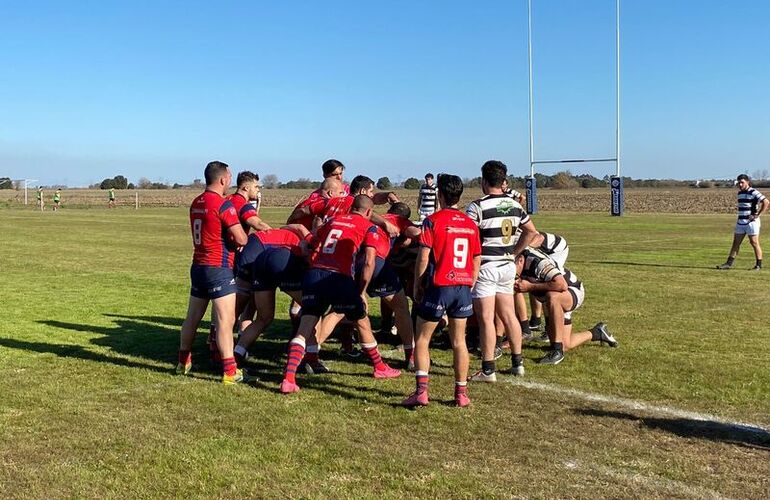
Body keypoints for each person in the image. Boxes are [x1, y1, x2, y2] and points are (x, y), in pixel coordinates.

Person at [280, 195, 401, 394]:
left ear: (352, 207)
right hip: (339, 278)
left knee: (306, 323)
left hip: (314, 274)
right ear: (369, 212)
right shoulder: (368, 226)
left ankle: (289, 378)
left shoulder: (333, 221)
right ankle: (379, 367)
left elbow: (313, 241)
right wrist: (361, 290)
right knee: (361, 320)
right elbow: (370, 262)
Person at [403, 174, 481, 408]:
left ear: (440, 195)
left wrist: (417, 284)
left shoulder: (433, 221)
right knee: (459, 341)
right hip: (463, 287)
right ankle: (461, 394)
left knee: (423, 339)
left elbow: (424, 255)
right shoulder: (470, 223)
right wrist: (471, 282)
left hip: (439, 286)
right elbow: (477, 257)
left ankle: (421, 392)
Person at [314, 202, 421, 369]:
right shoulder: (399, 220)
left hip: (354, 263)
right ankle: (411, 356)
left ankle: (312, 350)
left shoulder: (371, 217)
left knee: (338, 310)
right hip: (375, 263)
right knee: (401, 307)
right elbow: (416, 233)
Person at [176, 161, 249, 384]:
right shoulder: (222, 204)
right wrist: (238, 239)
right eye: (229, 177)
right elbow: (241, 238)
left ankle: (183, 361)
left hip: (198, 266)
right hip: (218, 267)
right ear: (223, 179)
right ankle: (229, 371)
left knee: (192, 318)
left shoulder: (196, 201)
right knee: (225, 321)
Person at [466, 161, 537, 382]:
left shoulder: (477, 206)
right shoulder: (515, 205)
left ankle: (488, 369)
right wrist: (515, 252)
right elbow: (531, 231)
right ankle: (518, 363)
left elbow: (468, 236)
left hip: (486, 266)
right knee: (508, 314)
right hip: (507, 265)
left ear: (484, 181)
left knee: (487, 317)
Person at [514, 248, 618, 365]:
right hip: (552, 299)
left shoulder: (537, 262)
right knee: (565, 344)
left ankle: (557, 351)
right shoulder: (514, 262)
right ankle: (597, 332)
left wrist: (530, 287)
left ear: (520, 260)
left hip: (571, 290)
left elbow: (561, 285)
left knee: (553, 297)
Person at [233, 225, 311, 365]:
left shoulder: (288, 233)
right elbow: (306, 252)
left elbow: (297, 227)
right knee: (312, 309)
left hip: (260, 259)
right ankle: (310, 355)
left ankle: (237, 354)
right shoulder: (310, 240)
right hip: (280, 258)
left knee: (264, 318)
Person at [717, 174, 768, 271]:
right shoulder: (739, 193)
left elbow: (766, 202)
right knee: (736, 243)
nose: (740, 184)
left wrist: (757, 215)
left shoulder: (753, 192)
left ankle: (758, 265)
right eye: (739, 182)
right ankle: (728, 263)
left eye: (742, 182)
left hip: (751, 222)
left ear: (747, 182)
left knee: (754, 242)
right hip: (740, 222)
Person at [527, 231, 569, 334]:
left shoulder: (521, 230)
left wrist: (527, 248)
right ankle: (536, 320)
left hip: (556, 251)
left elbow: (539, 238)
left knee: (547, 288)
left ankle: (549, 327)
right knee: (532, 283)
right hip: (546, 253)